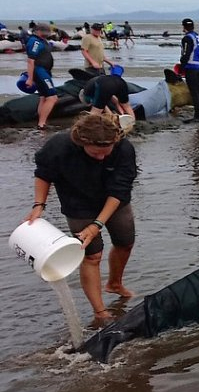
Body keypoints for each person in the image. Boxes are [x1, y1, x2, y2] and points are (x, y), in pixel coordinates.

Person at [26, 113, 138, 325]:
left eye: (106, 152)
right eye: (95, 153)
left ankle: (114, 284)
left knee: (125, 243)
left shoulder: (124, 149)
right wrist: (39, 205)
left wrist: (97, 224)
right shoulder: (59, 147)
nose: (101, 158)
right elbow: (43, 174)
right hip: (77, 203)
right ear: (81, 142)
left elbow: (119, 189)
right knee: (92, 256)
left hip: (115, 201)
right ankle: (100, 312)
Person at [25, 23, 58, 130]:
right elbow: (30, 60)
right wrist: (30, 78)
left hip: (45, 71)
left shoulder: (42, 41)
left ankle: (41, 122)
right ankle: (41, 124)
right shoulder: (35, 41)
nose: (47, 34)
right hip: (40, 71)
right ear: (38, 31)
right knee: (52, 97)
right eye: (45, 32)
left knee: (43, 97)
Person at [180, 18, 199, 123]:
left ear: (184, 27)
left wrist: (182, 67)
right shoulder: (197, 37)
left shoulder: (187, 38)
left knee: (194, 92)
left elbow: (186, 53)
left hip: (191, 67)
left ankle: (197, 116)